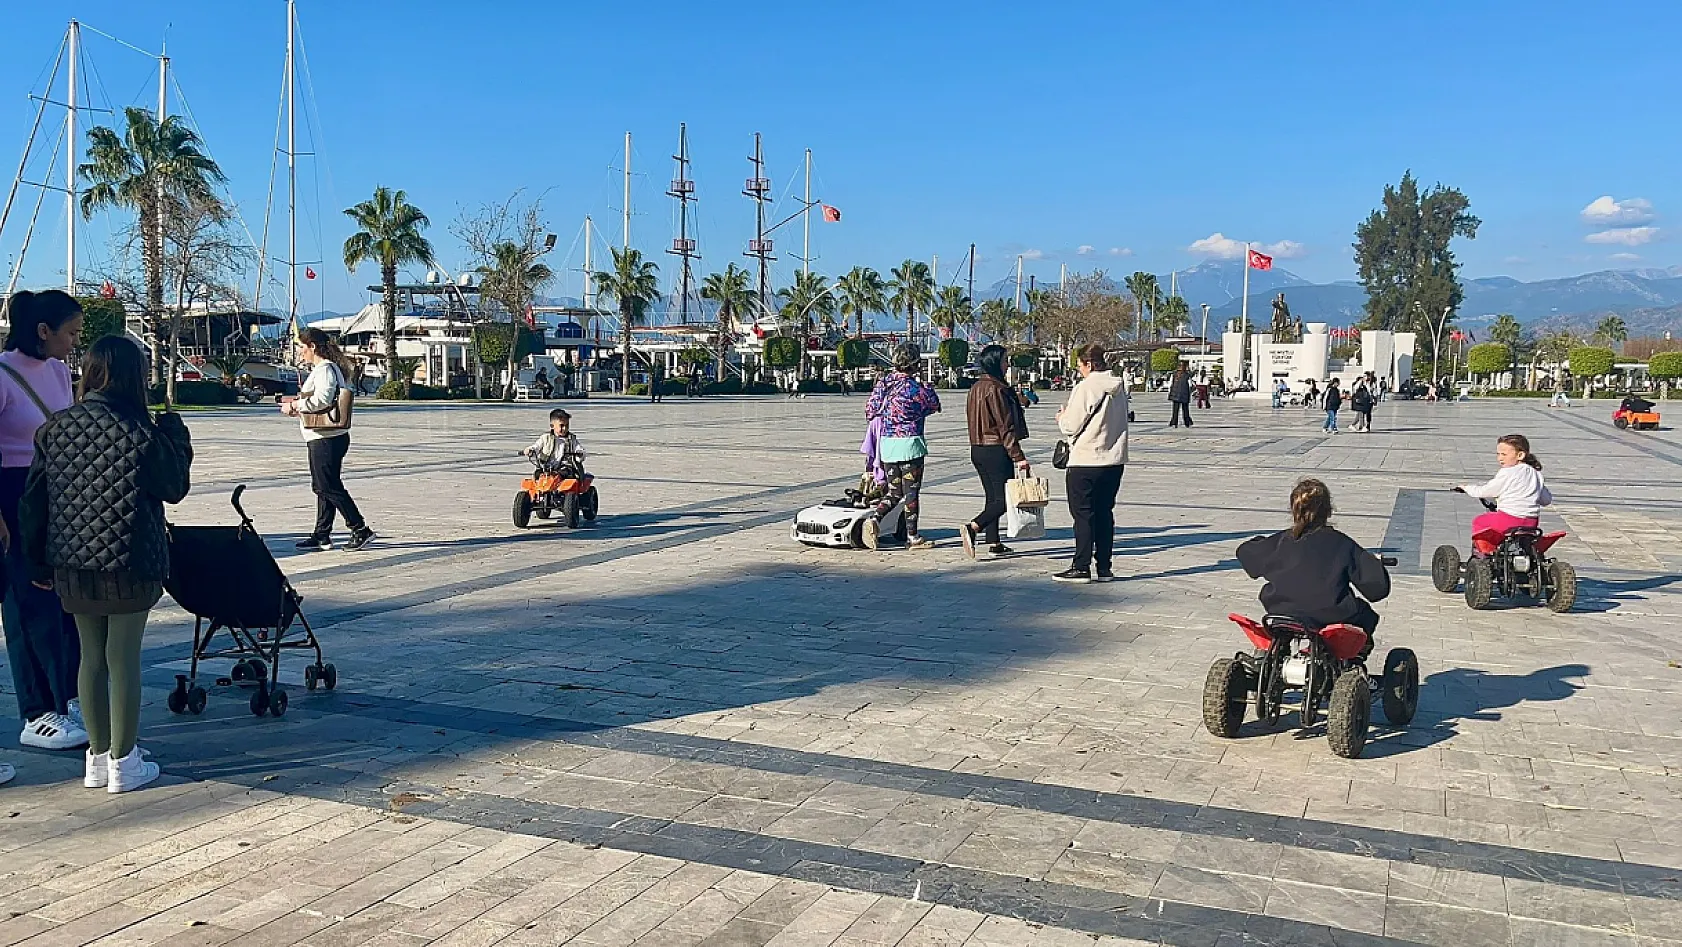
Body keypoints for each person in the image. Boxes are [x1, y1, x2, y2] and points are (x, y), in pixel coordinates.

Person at [21, 335, 192, 793]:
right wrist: (175, 434)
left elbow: (34, 502)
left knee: (91, 658)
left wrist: (37, 563)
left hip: (71, 562)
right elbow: (174, 486)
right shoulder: (140, 431)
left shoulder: (54, 428)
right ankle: (124, 760)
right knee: (124, 659)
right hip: (131, 560)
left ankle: (97, 758)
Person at [0, 291, 87, 753]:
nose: (74, 342)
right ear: (42, 331)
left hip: (56, 489)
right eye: (70, 333)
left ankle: (69, 695)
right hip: (12, 492)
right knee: (25, 602)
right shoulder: (2, 373)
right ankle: (36, 712)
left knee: (63, 599)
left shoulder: (57, 371)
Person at [1236, 479, 1390, 648]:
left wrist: (1263, 542)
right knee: (1366, 615)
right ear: (1328, 511)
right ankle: (1353, 659)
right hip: (1331, 613)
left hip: (1281, 609)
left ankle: (1278, 652)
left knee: (1286, 622)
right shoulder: (1341, 543)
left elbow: (1246, 553)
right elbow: (1377, 589)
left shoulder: (1281, 541)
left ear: (1294, 509)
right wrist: (1374, 564)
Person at [283, 328, 375, 551]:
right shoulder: (326, 369)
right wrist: (300, 410)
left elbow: (323, 399)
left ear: (312, 347)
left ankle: (359, 528)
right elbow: (322, 402)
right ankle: (322, 533)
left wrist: (295, 405)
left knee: (327, 486)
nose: (301, 352)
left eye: (302, 347)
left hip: (325, 438)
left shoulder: (325, 369)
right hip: (326, 437)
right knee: (322, 486)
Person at [1053, 343, 1130, 584]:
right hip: (1113, 460)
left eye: (1080, 366)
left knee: (1083, 514)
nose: (1079, 370)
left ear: (1089, 364)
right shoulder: (1119, 387)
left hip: (1086, 461)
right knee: (1105, 513)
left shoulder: (1086, 387)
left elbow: (1070, 425)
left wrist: (1061, 417)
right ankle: (1104, 567)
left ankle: (1081, 566)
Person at [862, 343, 941, 550]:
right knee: (911, 493)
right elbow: (934, 405)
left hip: (887, 446)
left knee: (894, 492)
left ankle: (875, 519)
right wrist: (926, 385)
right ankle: (912, 537)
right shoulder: (916, 388)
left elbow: (870, 411)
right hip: (910, 446)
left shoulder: (883, 383)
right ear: (915, 364)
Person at [961, 345, 1029, 559]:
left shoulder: (976, 387)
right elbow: (1004, 426)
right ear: (995, 363)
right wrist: (1018, 457)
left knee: (993, 497)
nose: (1007, 365)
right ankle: (973, 527)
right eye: (1004, 361)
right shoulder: (996, 389)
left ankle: (994, 541)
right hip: (996, 449)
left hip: (977, 448)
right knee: (1005, 499)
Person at [1456, 434, 1552, 557]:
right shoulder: (1536, 474)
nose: (1500, 458)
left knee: (1479, 521)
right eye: (1498, 454)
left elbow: (1486, 491)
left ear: (1520, 455)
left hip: (1508, 519)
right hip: (1531, 523)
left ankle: (1483, 556)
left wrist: (1466, 488)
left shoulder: (1508, 472)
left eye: (1504, 454)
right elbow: (1546, 500)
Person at [523, 408, 585, 474]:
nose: (564, 428)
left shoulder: (572, 439)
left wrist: (580, 454)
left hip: (564, 468)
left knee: (565, 473)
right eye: (561, 426)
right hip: (546, 467)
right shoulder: (545, 438)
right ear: (552, 426)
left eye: (567, 425)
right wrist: (530, 450)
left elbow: (579, 449)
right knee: (538, 474)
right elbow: (536, 447)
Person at [1167, 364, 1193, 429]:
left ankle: (1174, 422)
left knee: (1175, 410)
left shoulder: (1174, 374)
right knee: (1185, 409)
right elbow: (1190, 385)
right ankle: (1187, 423)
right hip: (1184, 394)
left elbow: (1170, 384)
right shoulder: (1187, 375)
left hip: (1175, 394)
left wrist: (1170, 392)